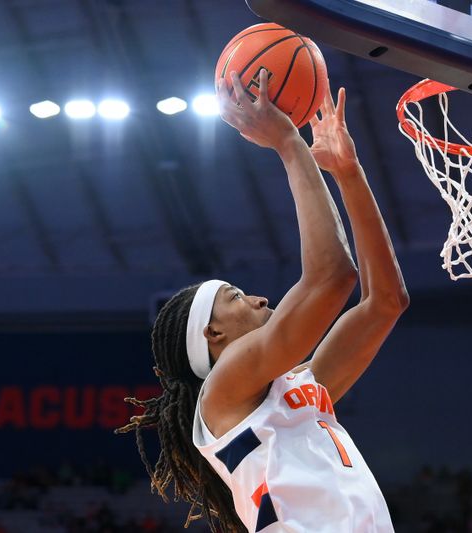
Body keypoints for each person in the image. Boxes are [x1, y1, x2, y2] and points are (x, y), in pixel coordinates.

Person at [117, 68, 408, 533]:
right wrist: (289, 145)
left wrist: (349, 174)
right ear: (213, 335)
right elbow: (331, 278)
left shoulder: (298, 389)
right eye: (235, 296)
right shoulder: (221, 391)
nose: (258, 298)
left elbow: (385, 301)